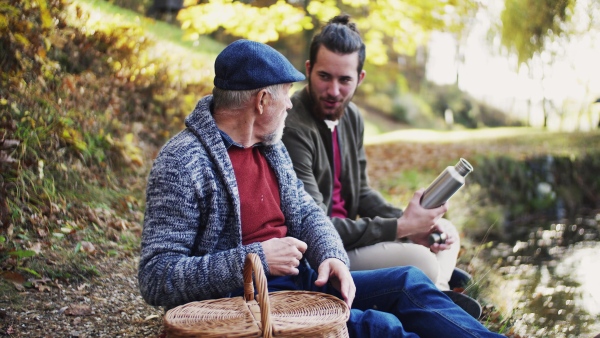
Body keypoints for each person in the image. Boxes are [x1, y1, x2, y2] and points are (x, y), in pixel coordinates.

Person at [138, 38, 503, 337]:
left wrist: (332, 256)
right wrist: (257, 260)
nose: (289, 107)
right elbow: (156, 278)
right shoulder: (183, 162)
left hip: (303, 283)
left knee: (409, 281)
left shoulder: (270, 145)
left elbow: (307, 212)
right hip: (250, 305)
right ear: (262, 100)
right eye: (286, 95)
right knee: (383, 328)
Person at [282, 14, 461, 291]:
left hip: (353, 237)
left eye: (345, 80)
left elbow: (362, 193)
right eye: (324, 77)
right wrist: (402, 228)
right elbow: (316, 226)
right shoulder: (293, 127)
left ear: (360, 78)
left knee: (447, 231)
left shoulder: (352, 117)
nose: (333, 90)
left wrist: (415, 223)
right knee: (422, 260)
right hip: (325, 252)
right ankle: (440, 290)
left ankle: (440, 291)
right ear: (308, 69)